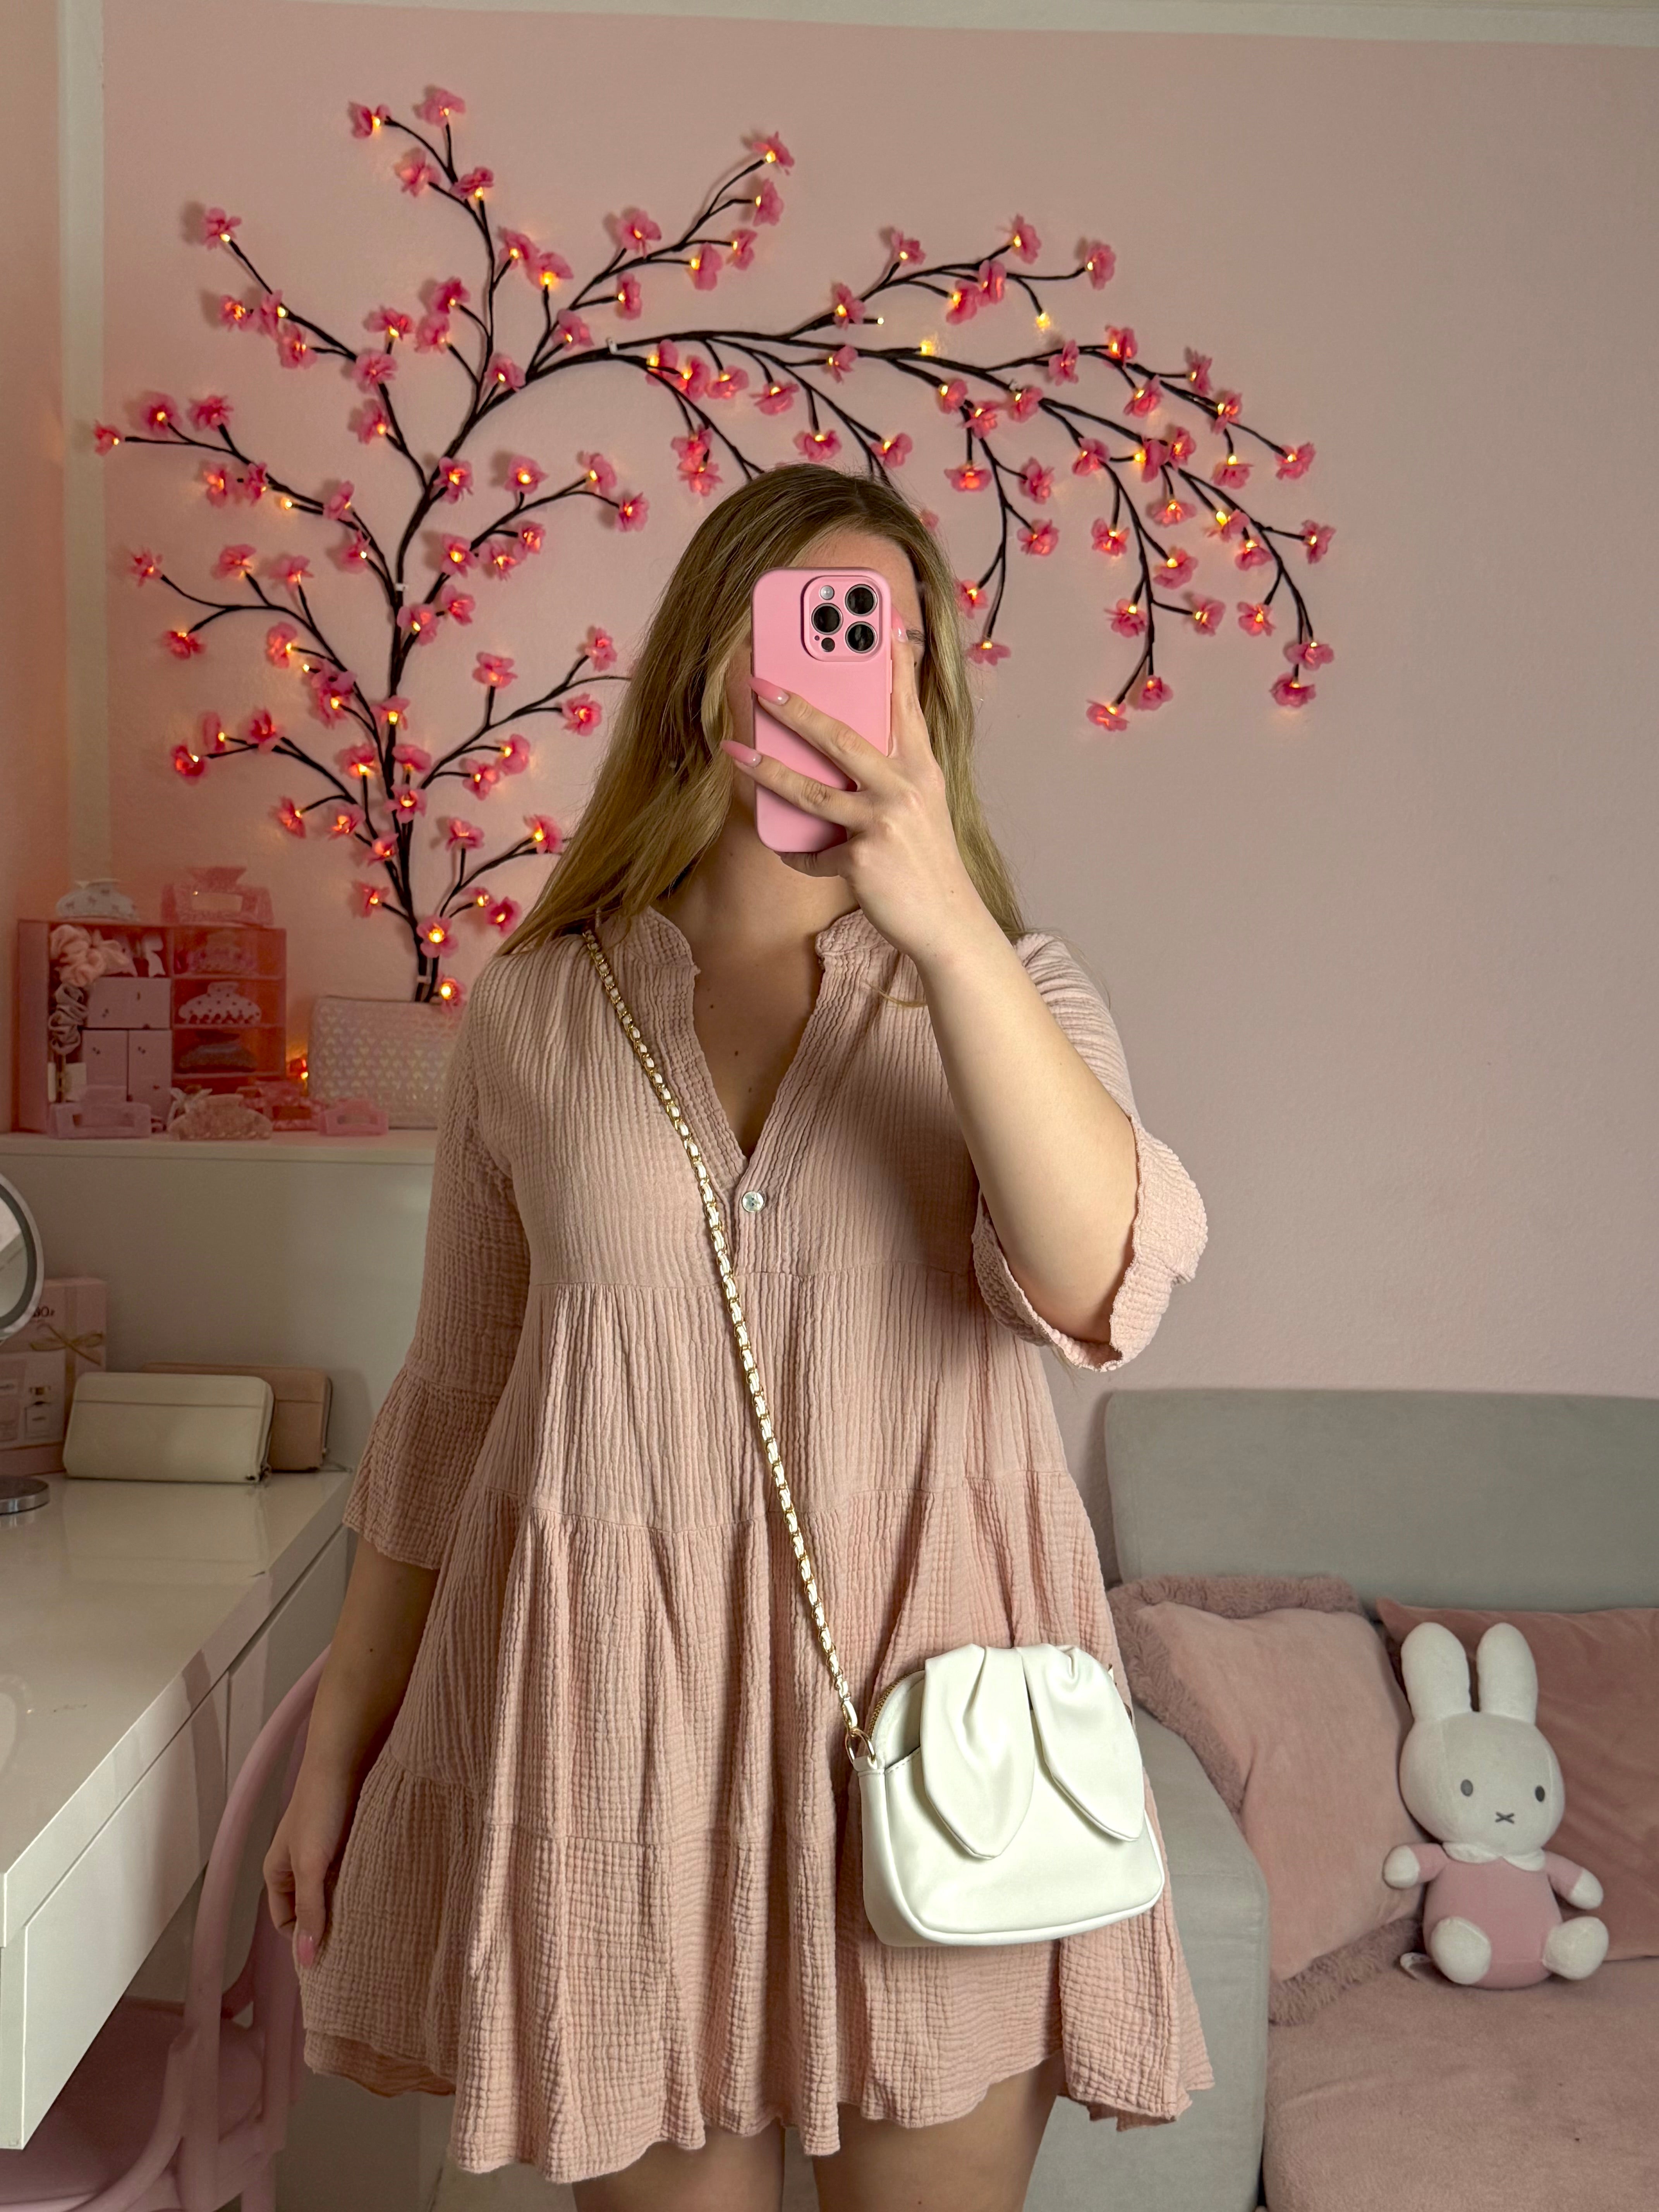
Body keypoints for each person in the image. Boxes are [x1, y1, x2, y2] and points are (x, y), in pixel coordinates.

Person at [269, 464, 1212, 2211]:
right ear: (713, 664)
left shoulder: (1018, 988)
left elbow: (1095, 1286)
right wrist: (340, 1748)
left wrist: (942, 927)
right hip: (622, 1741)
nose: (849, 682)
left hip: (937, 1739)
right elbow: (454, 1403)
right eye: (812, 634)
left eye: (891, 650)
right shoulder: (538, 1012)